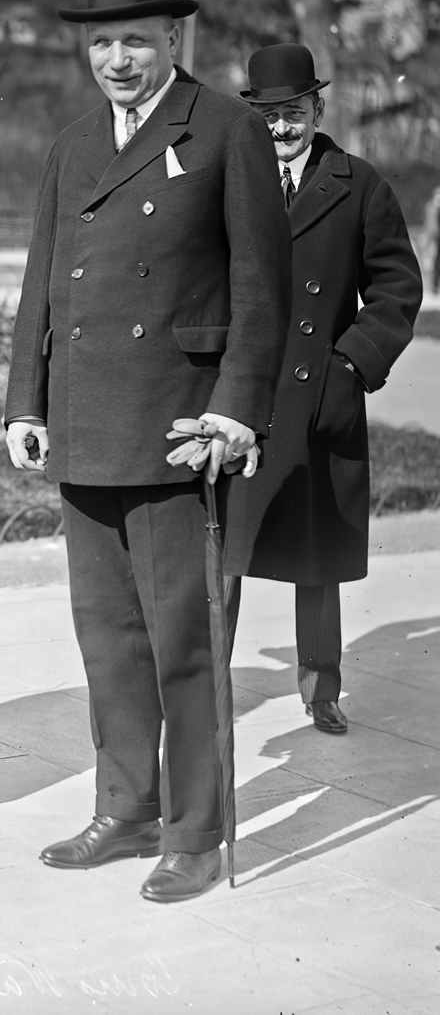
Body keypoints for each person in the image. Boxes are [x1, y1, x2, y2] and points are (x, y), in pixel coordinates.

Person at [4, 0, 292, 901]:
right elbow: (42, 282)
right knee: (109, 641)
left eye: (135, 38)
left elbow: (262, 289)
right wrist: (25, 400)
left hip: (180, 428)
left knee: (185, 640)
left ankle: (197, 831)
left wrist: (236, 410)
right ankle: (127, 809)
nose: (118, 59)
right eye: (101, 42)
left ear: (174, 37)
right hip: (88, 426)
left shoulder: (227, 127)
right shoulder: (72, 143)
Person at [225, 44, 423, 734]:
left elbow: (399, 286)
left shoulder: (358, 182)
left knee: (316, 557)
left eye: (295, 112)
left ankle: (322, 688)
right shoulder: (230, 177)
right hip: (236, 394)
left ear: (317, 108)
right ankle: (205, 688)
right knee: (222, 550)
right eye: (270, 115)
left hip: (319, 398)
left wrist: (348, 367)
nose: (283, 127)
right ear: (253, 117)